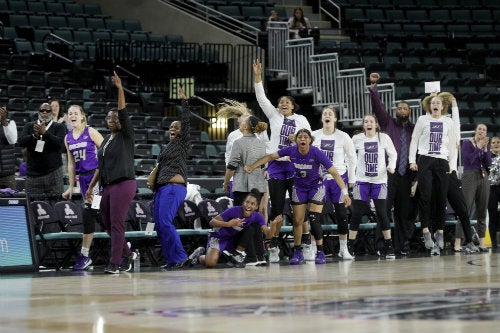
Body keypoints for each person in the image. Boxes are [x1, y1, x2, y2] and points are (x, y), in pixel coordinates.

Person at [245, 128, 352, 265]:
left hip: (316, 187)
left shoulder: (317, 153)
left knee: (313, 218)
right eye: (300, 137)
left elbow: (335, 174)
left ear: (310, 141)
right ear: (296, 140)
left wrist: (345, 193)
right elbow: (271, 157)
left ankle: (320, 251)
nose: (302, 139)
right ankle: (297, 251)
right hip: (299, 188)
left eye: (305, 137)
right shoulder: (291, 150)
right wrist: (253, 166)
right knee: (297, 221)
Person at [253, 59, 312, 262]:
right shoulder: (274, 116)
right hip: (277, 165)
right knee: (277, 207)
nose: (283, 104)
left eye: (287, 102)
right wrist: (258, 76)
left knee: (299, 207)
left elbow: (309, 139)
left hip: (296, 165)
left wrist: (298, 139)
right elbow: (261, 98)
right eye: (280, 102)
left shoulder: (302, 120)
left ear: (293, 106)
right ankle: (274, 244)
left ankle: (304, 243)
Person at [86, 72, 137, 274]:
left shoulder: (126, 135)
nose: (112, 119)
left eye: (115, 117)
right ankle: (128, 254)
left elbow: (122, 110)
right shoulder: (106, 140)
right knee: (107, 223)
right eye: (109, 117)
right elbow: (100, 166)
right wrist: (91, 187)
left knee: (116, 224)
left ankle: (115, 263)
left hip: (124, 184)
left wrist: (120, 89)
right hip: (107, 186)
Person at [369, 73, 415, 255]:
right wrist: (374, 88)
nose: (402, 110)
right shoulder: (388, 123)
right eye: (399, 108)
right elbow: (378, 107)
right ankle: (381, 245)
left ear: (410, 111)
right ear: (396, 111)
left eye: (405, 108)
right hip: (388, 174)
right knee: (384, 211)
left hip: (406, 176)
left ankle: (401, 245)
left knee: (403, 213)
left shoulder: (415, 129)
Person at [151, 85, 193, 271]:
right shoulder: (167, 147)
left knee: (166, 222)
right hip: (161, 188)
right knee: (160, 225)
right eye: (171, 127)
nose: (173, 129)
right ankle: (171, 260)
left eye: (176, 127)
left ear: (182, 131)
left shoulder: (183, 143)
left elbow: (186, 120)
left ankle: (181, 257)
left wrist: (184, 102)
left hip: (174, 188)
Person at [409, 93, 457, 255]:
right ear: (429, 106)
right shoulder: (423, 120)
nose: (435, 105)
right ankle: (426, 231)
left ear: (443, 106)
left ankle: (440, 232)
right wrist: (411, 160)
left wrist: (452, 164)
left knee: (441, 198)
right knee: (425, 197)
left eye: (438, 103)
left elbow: (452, 145)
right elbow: (414, 140)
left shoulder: (448, 121)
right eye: (432, 103)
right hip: (425, 160)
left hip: (442, 161)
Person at [347, 115, 397, 259]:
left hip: (379, 182)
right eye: (366, 122)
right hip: (360, 182)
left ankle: (389, 245)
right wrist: (351, 176)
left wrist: (391, 166)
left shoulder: (384, 138)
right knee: (356, 213)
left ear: (376, 125)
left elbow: (393, 154)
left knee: (382, 213)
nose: (368, 124)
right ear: (363, 126)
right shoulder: (356, 139)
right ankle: (350, 245)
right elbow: (349, 157)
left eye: (371, 121)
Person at [190, 190, 282, 268]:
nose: (248, 206)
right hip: (219, 237)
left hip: (233, 239)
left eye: (252, 204)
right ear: (243, 203)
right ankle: (199, 256)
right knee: (210, 263)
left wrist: (273, 225)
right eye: (247, 202)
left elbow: (269, 235)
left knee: (249, 229)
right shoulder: (234, 210)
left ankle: (236, 254)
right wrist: (228, 224)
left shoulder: (258, 217)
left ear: (256, 207)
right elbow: (212, 222)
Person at [435, 94, 479, 254]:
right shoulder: (433, 134)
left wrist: (454, 103)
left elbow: (456, 121)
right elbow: (430, 117)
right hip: (436, 173)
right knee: (438, 209)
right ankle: (436, 244)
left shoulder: (453, 133)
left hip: (451, 174)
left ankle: (469, 242)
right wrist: (433, 96)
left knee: (461, 209)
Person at [62, 104, 104, 270]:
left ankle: (85, 255)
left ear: (82, 116)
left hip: (96, 178)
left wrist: (103, 176)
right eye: (70, 113)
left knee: (89, 213)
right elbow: (71, 165)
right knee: (100, 216)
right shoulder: (67, 138)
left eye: (75, 113)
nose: (72, 116)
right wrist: (70, 187)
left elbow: (106, 151)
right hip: (83, 180)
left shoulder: (91, 131)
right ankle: (124, 248)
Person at [311, 106, 356, 260]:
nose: (327, 115)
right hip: (319, 180)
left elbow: (352, 158)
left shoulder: (343, 137)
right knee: (315, 215)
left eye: (330, 114)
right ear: (322, 118)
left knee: (342, 214)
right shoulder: (313, 136)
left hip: (339, 179)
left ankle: (344, 249)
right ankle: (313, 248)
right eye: (325, 113)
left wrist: (351, 179)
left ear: (335, 119)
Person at [455, 124, 491, 251]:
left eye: (484, 130)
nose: (482, 131)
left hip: (483, 177)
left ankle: (482, 243)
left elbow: (488, 164)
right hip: (470, 175)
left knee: (482, 210)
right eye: (480, 129)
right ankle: (458, 243)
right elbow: (468, 160)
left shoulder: (486, 145)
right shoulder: (467, 143)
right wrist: (479, 148)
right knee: (464, 210)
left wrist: (485, 150)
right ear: (475, 131)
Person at [18, 102, 67, 194]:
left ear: (51, 113)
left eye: (48, 110)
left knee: (56, 204)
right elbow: (21, 142)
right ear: (38, 112)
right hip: (33, 175)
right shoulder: (29, 126)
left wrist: (46, 133)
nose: (45, 112)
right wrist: (34, 136)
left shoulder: (59, 127)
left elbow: (61, 145)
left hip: (54, 173)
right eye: (42, 110)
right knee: (32, 205)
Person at [0, 104, 18, 190]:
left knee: (10, 201)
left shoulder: (11, 123)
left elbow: (12, 140)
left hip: (7, 175)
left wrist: (4, 122)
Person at [488, 136, 500, 250]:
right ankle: (494, 244)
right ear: (490, 144)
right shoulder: (487, 156)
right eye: (493, 142)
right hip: (491, 188)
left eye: (498, 142)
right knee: (492, 216)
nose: (496, 144)